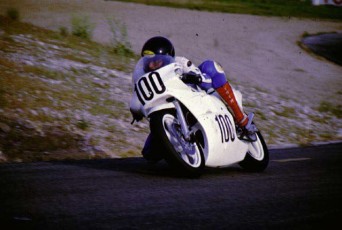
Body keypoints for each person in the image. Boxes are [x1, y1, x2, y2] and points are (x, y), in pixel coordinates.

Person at [130, 36, 256, 161]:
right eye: (148, 61)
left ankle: (242, 120)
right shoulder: (142, 75)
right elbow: (138, 95)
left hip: (197, 100)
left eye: (156, 60)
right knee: (149, 154)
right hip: (167, 109)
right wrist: (136, 110)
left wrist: (196, 77)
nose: (152, 65)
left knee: (210, 66)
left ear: (168, 57)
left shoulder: (180, 63)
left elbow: (205, 78)